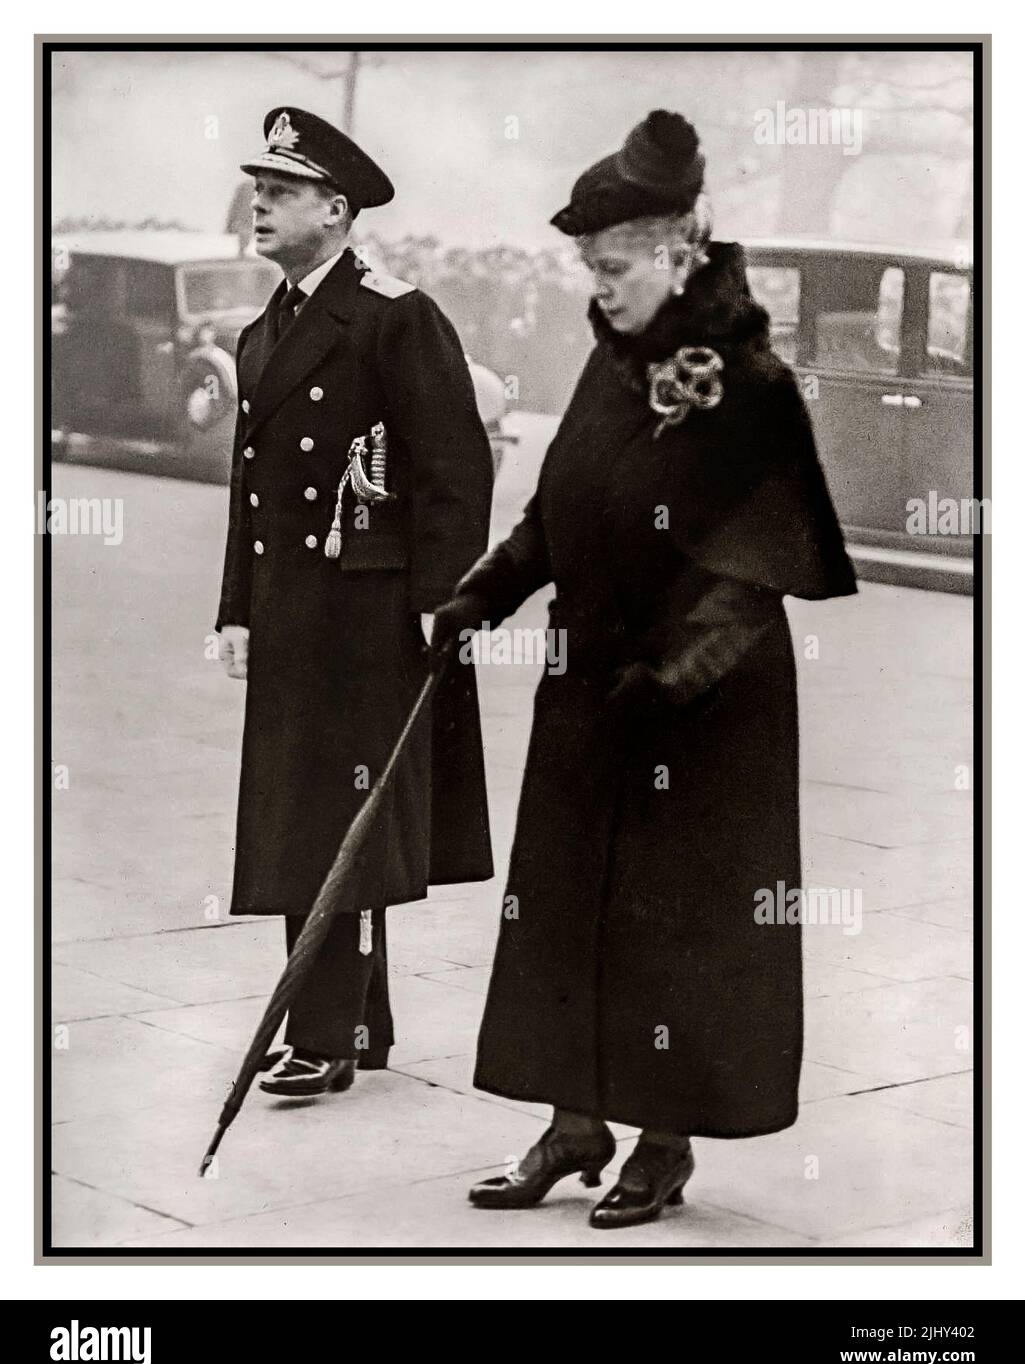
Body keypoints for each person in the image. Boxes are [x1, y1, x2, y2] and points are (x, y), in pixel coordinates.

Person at [431, 110, 858, 1228]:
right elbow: (556, 507)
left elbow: (756, 574)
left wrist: (669, 680)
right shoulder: (610, 361)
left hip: (698, 714)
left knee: (674, 922)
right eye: (588, 266)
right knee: (564, 905)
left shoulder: (746, 382)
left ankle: (660, 1143)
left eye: (614, 266)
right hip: (589, 683)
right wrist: (484, 591)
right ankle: (573, 1121)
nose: (599, 284)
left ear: (679, 251)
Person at [217, 107, 494, 1100]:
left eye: (281, 191)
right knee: (305, 815)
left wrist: (440, 605)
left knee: (339, 820)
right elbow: (250, 493)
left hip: (367, 617)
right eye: (260, 189)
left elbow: (454, 464)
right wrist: (235, 609)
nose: (260, 204)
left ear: (335, 210)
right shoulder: (264, 329)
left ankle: (324, 1031)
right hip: (294, 617)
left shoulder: (391, 315)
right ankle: (358, 1025)